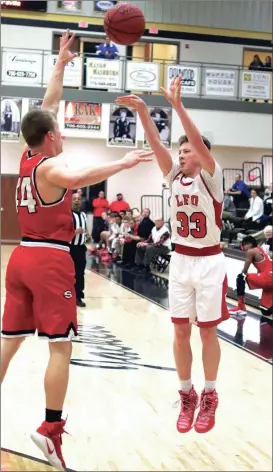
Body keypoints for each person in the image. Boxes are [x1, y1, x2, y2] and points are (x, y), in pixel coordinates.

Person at [0, 30, 153, 471]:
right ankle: (50, 430)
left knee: (9, 344)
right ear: (49, 137)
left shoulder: (28, 155)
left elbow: (48, 102)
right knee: (60, 348)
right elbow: (81, 176)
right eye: (60, 129)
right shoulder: (51, 167)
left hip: (21, 258)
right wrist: (123, 163)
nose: (62, 130)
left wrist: (62, 63)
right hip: (49, 259)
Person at [116, 75, 229, 434]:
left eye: (187, 150)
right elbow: (156, 144)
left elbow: (195, 138)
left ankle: (211, 395)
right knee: (180, 332)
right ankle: (187, 395)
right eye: (179, 151)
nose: (181, 154)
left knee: (207, 334)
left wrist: (178, 106)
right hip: (181, 259)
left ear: (203, 155)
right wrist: (147, 114)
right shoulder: (172, 177)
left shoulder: (212, 177)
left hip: (209, 261)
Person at [229, 236, 273, 317]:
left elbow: (245, 269)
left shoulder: (251, 251)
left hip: (268, 278)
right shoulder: (261, 249)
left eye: (245, 245)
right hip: (270, 277)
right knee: (265, 311)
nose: (244, 247)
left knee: (240, 277)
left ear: (250, 244)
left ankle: (241, 307)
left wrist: (243, 274)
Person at [70, 192, 90, 308]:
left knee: (80, 273)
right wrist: (74, 232)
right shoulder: (67, 214)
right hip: (69, 248)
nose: (77, 200)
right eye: (74, 199)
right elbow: (61, 233)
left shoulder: (83, 215)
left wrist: (87, 235)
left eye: (79, 199)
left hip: (81, 248)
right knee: (67, 274)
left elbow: (85, 229)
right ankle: (66, 296)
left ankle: (78, 296)